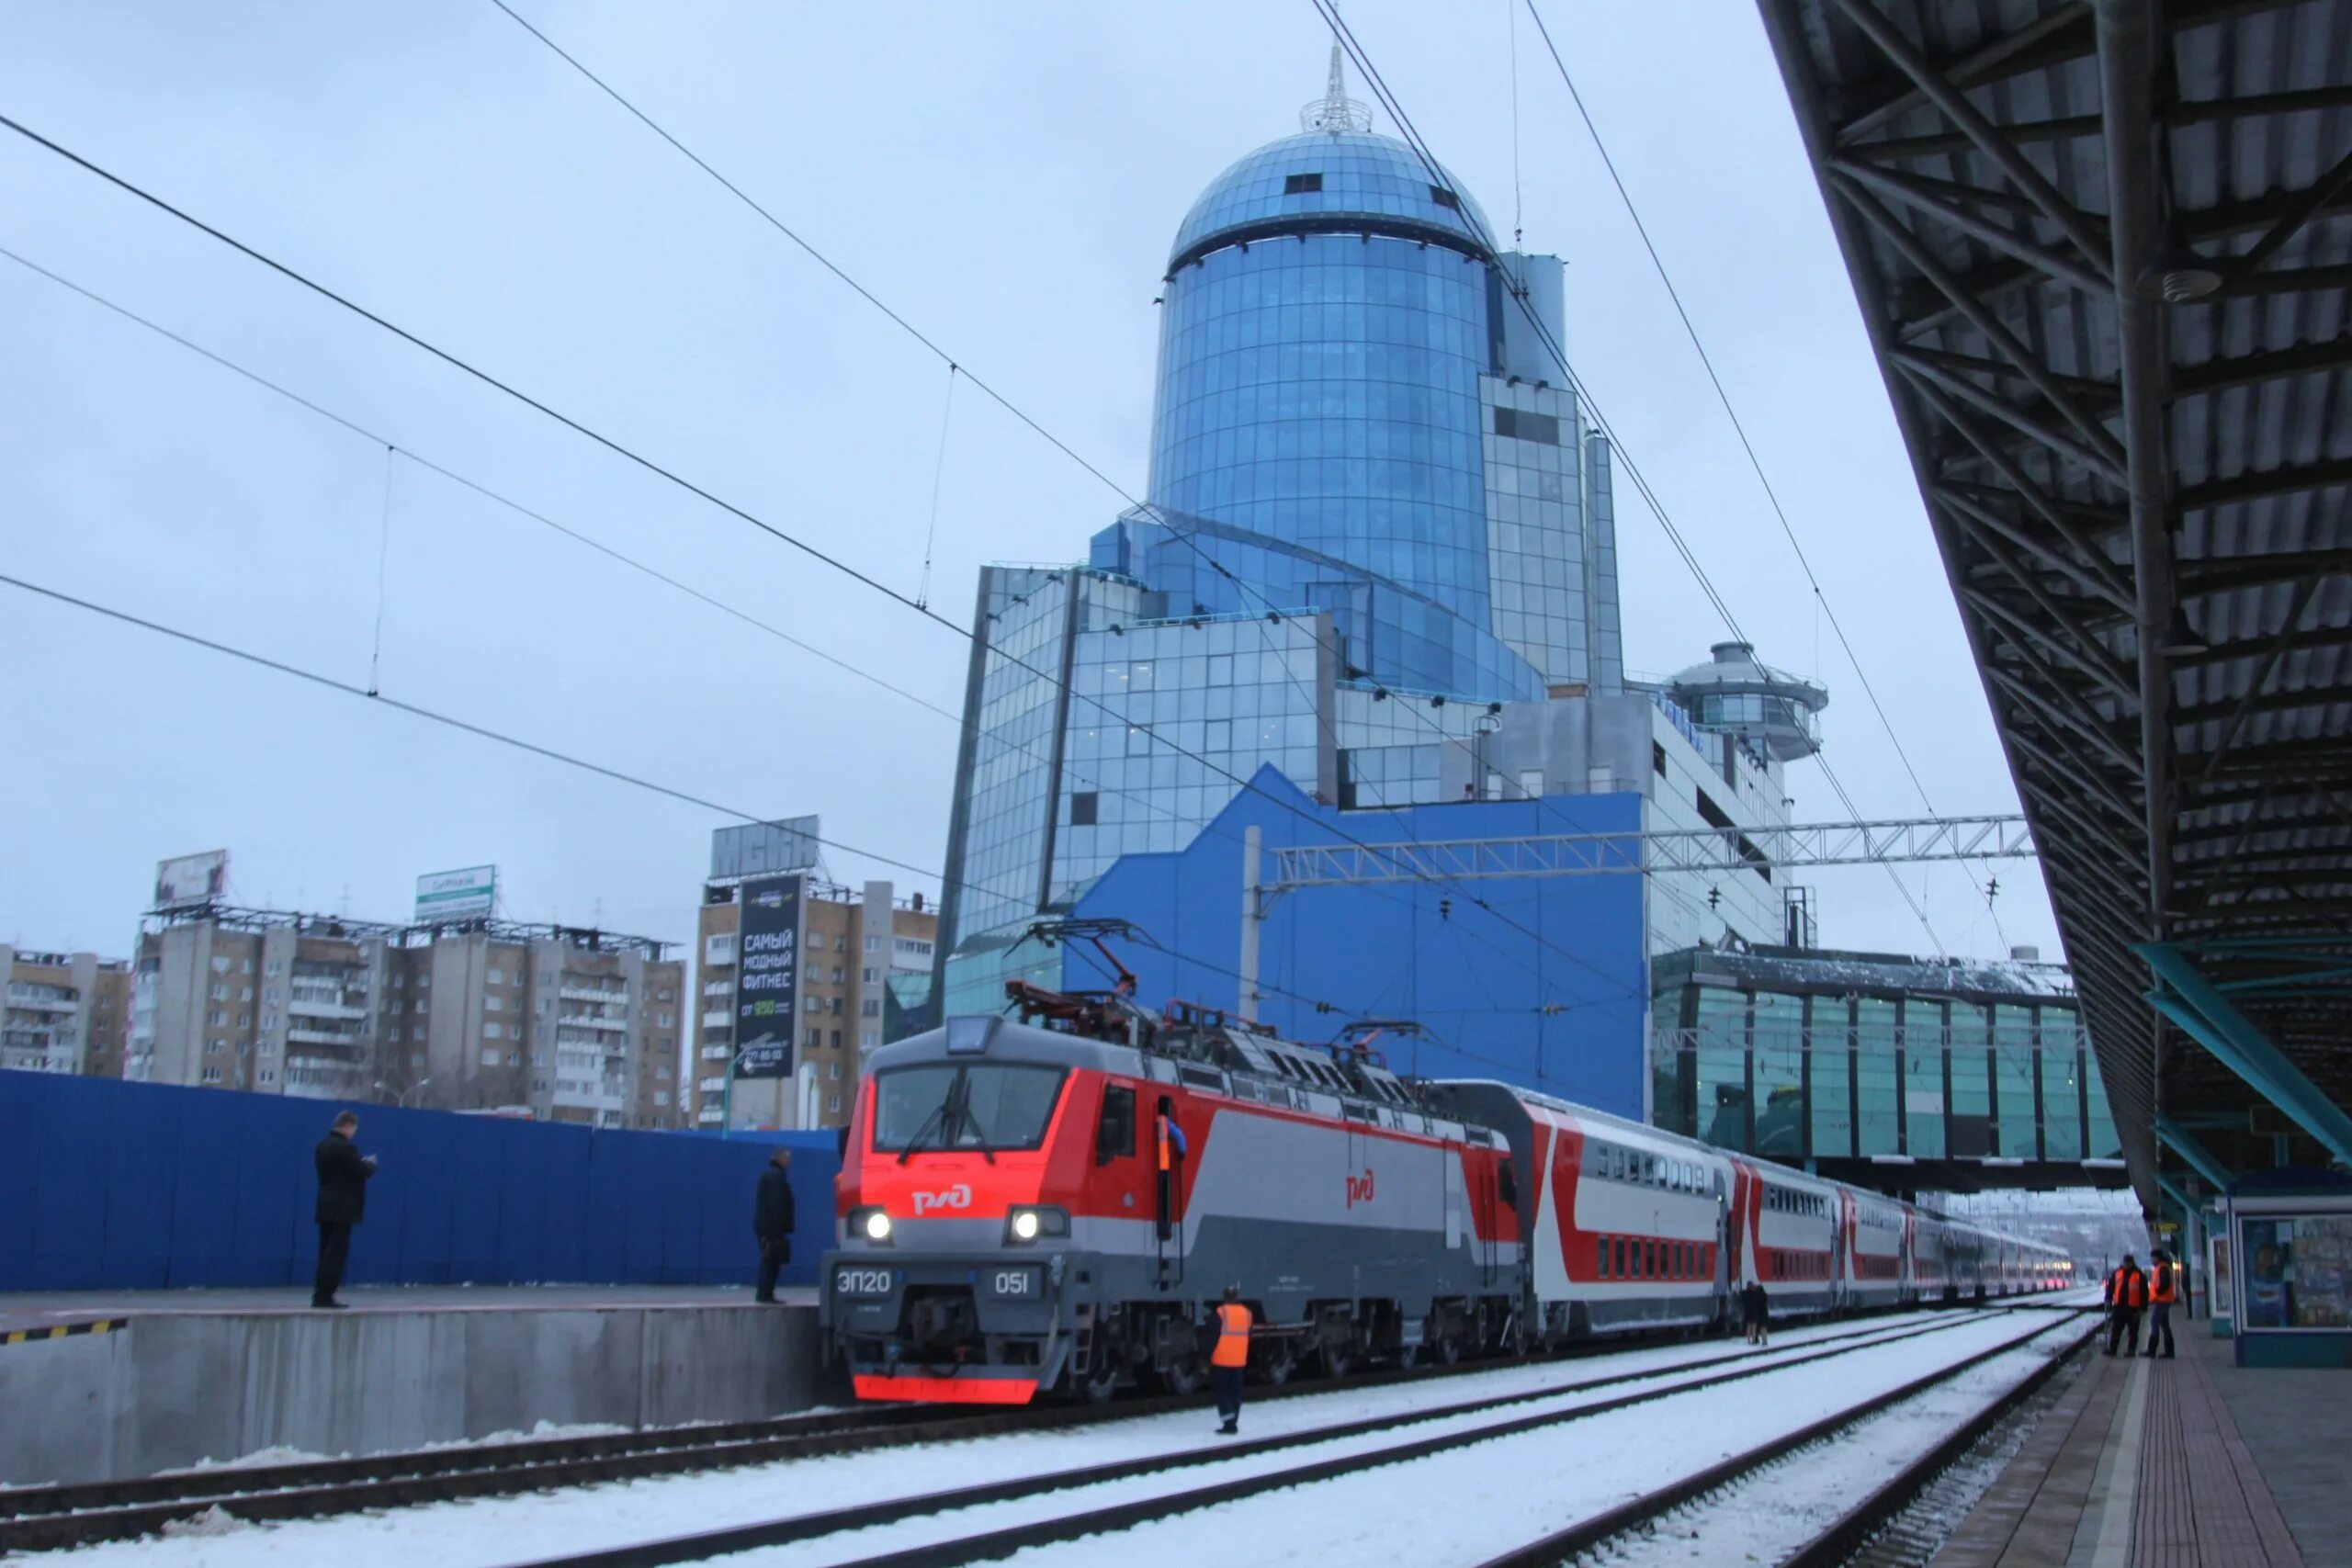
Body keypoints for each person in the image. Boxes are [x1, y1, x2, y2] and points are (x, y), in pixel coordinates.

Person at [312, 1111, 377, 1310]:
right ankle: (326, 1295)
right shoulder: (345, 1148)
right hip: (343, 1208)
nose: (353, 1132)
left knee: (325, 1252)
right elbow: (361, 1171)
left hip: (325, 1205)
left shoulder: (321, 1146)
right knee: (337, 1254)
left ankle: (319, 1294)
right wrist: (370, 1164)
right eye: (354, 1128)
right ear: (348, 1125)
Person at [753, 1146, 796, 1303]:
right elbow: (775, 1204)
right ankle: (766, 1294)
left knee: (769, 1259)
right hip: (772, 1228)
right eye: (787, 1157)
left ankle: (765, 1293)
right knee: (771, 1261)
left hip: (768, 1227)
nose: (789, 1160)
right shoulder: (776, 1177)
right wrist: (776, 1228)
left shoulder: (772, 1174)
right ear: (781, 1158)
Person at [1210, 1284, 1251, 1436]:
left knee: (1222, 1392)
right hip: (1239, 1361)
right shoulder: (1246, 1314)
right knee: (1235, 1393)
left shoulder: (1220, 1313)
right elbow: (1248, 1336)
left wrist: (1204, 1356)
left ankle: (1229, 1424)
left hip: (1222, 1360)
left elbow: (1211, 1338)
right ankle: (1233, 1421)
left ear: (1224, 1297)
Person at [2104, 1253, 2148, 1357]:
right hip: (2119, 1307)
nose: (2127, 1264)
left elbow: (2144, 1292)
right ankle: (2113, 1349)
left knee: (2133, 1332)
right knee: (2116, 1329)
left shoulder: (2139, 1275)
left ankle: (2131, 1351)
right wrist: (2108, 1298)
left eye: (2128, 1262)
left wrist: (2142, 1308)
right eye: (2125, 1262)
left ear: (2132, 1263)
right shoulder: (2117, 1273)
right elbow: (2111, 1287)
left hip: (2134, 1308)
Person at [2144, 1248, 2178, 1359]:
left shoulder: (2162, 1267)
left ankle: (2152, 1350)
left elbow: (2164, 1283)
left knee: (2154, 1322)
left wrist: (2157, 1294)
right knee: (2164, 1325)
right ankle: (2169, 1351)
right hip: (2163, 1300)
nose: (2151, 1259)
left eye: (2153, 1257)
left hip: (2162, 1300)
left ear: (2157, 1257)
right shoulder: (2162, 1267)